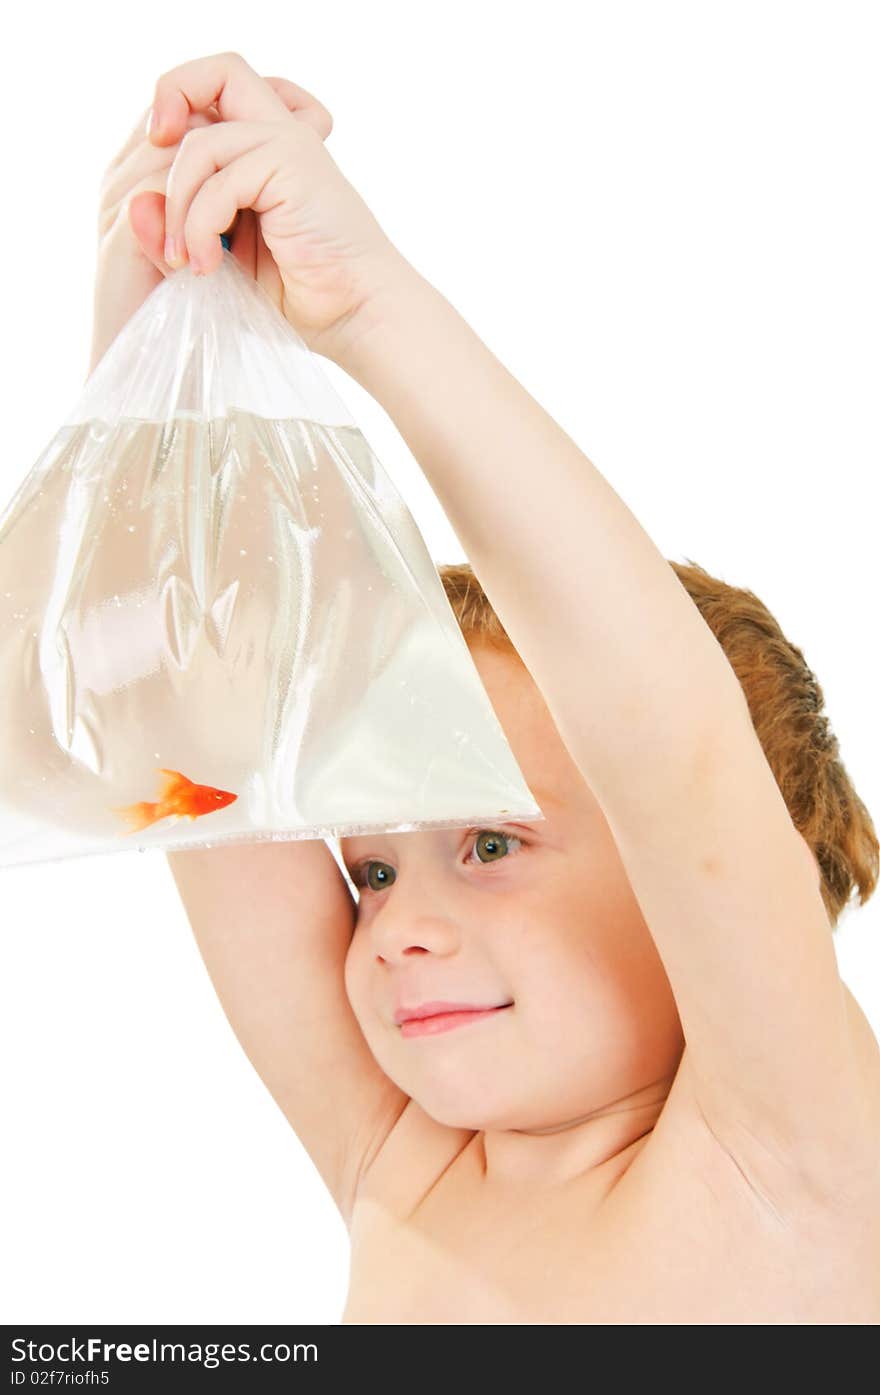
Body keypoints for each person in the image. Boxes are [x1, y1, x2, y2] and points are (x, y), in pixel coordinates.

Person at [89, 51, 880, 1324]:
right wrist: (156, 350)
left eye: (491, 840)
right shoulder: (403, 1166)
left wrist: (367, 310)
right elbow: (197, 773)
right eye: (375, 867)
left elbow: (667, 738)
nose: (394, 924)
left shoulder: (786, 1158)